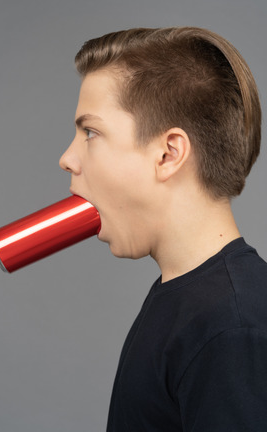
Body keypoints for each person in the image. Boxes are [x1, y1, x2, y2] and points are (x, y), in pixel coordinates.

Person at [59, 27, 267, 431]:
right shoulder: (187, 299)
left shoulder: (232, 328)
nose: (68, 158)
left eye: (90, 132)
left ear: (168, 154)